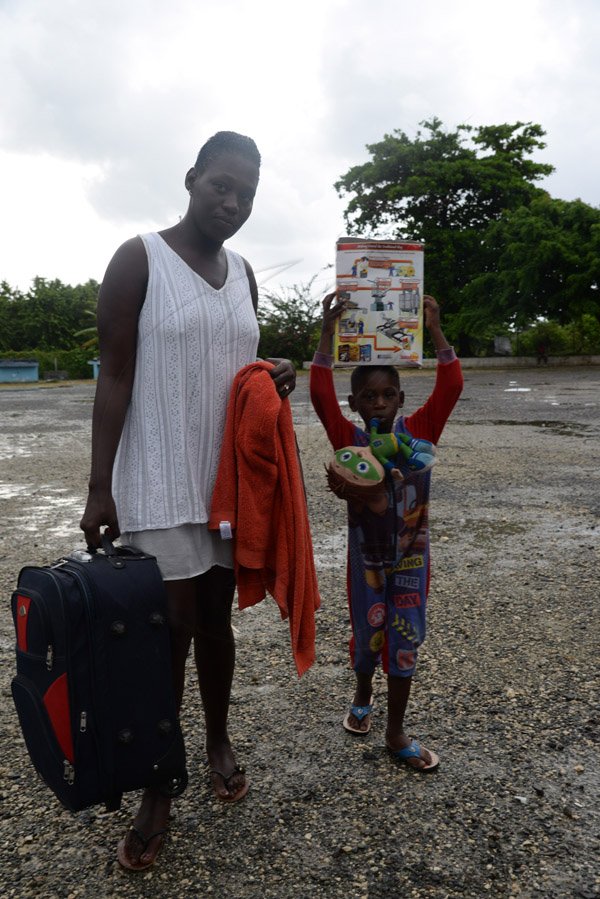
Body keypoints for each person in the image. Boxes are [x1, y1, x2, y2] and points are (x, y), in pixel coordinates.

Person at [80, 131, 296, 870]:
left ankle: (216, 739)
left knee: (214, 622)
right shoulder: (138, 258)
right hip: (158, 479)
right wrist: (98, 485)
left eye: (246, 194)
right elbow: (113, 374)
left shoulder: (243, 273)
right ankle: (159, 784)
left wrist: (273, 378)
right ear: (192, 178)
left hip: (228, 485)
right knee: (166, 631)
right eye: (221, 187)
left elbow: (239, 367)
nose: (232, 203)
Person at [310, 292, 463, 771]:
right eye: (369, 397)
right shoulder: (349, 440)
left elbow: (452, 387)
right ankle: (361, 694)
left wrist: (435, 329)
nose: (379, 403)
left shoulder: (421, 433)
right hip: (367, 561)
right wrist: (326, 335)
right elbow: (317, 394)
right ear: (353, 403)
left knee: (406, 637)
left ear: (401, 399)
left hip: (413, 557)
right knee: (367, 633)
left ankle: (396, 732)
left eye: (388, 395)